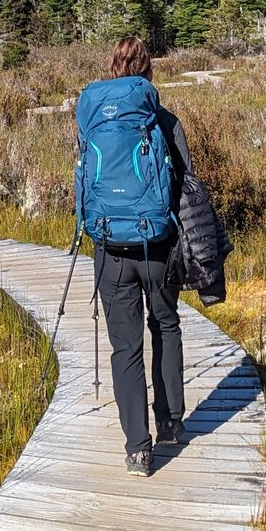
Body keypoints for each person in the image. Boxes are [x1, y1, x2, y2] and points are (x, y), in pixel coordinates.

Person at [80, 36, 188, 477]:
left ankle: (138, 450)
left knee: (125, 346)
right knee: (164, 324)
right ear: (149, 73)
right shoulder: (162, 120)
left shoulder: (92, 118)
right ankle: (170, 421)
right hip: (156, 244)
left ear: (112, 68)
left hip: (108, 247)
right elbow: (184, 180)